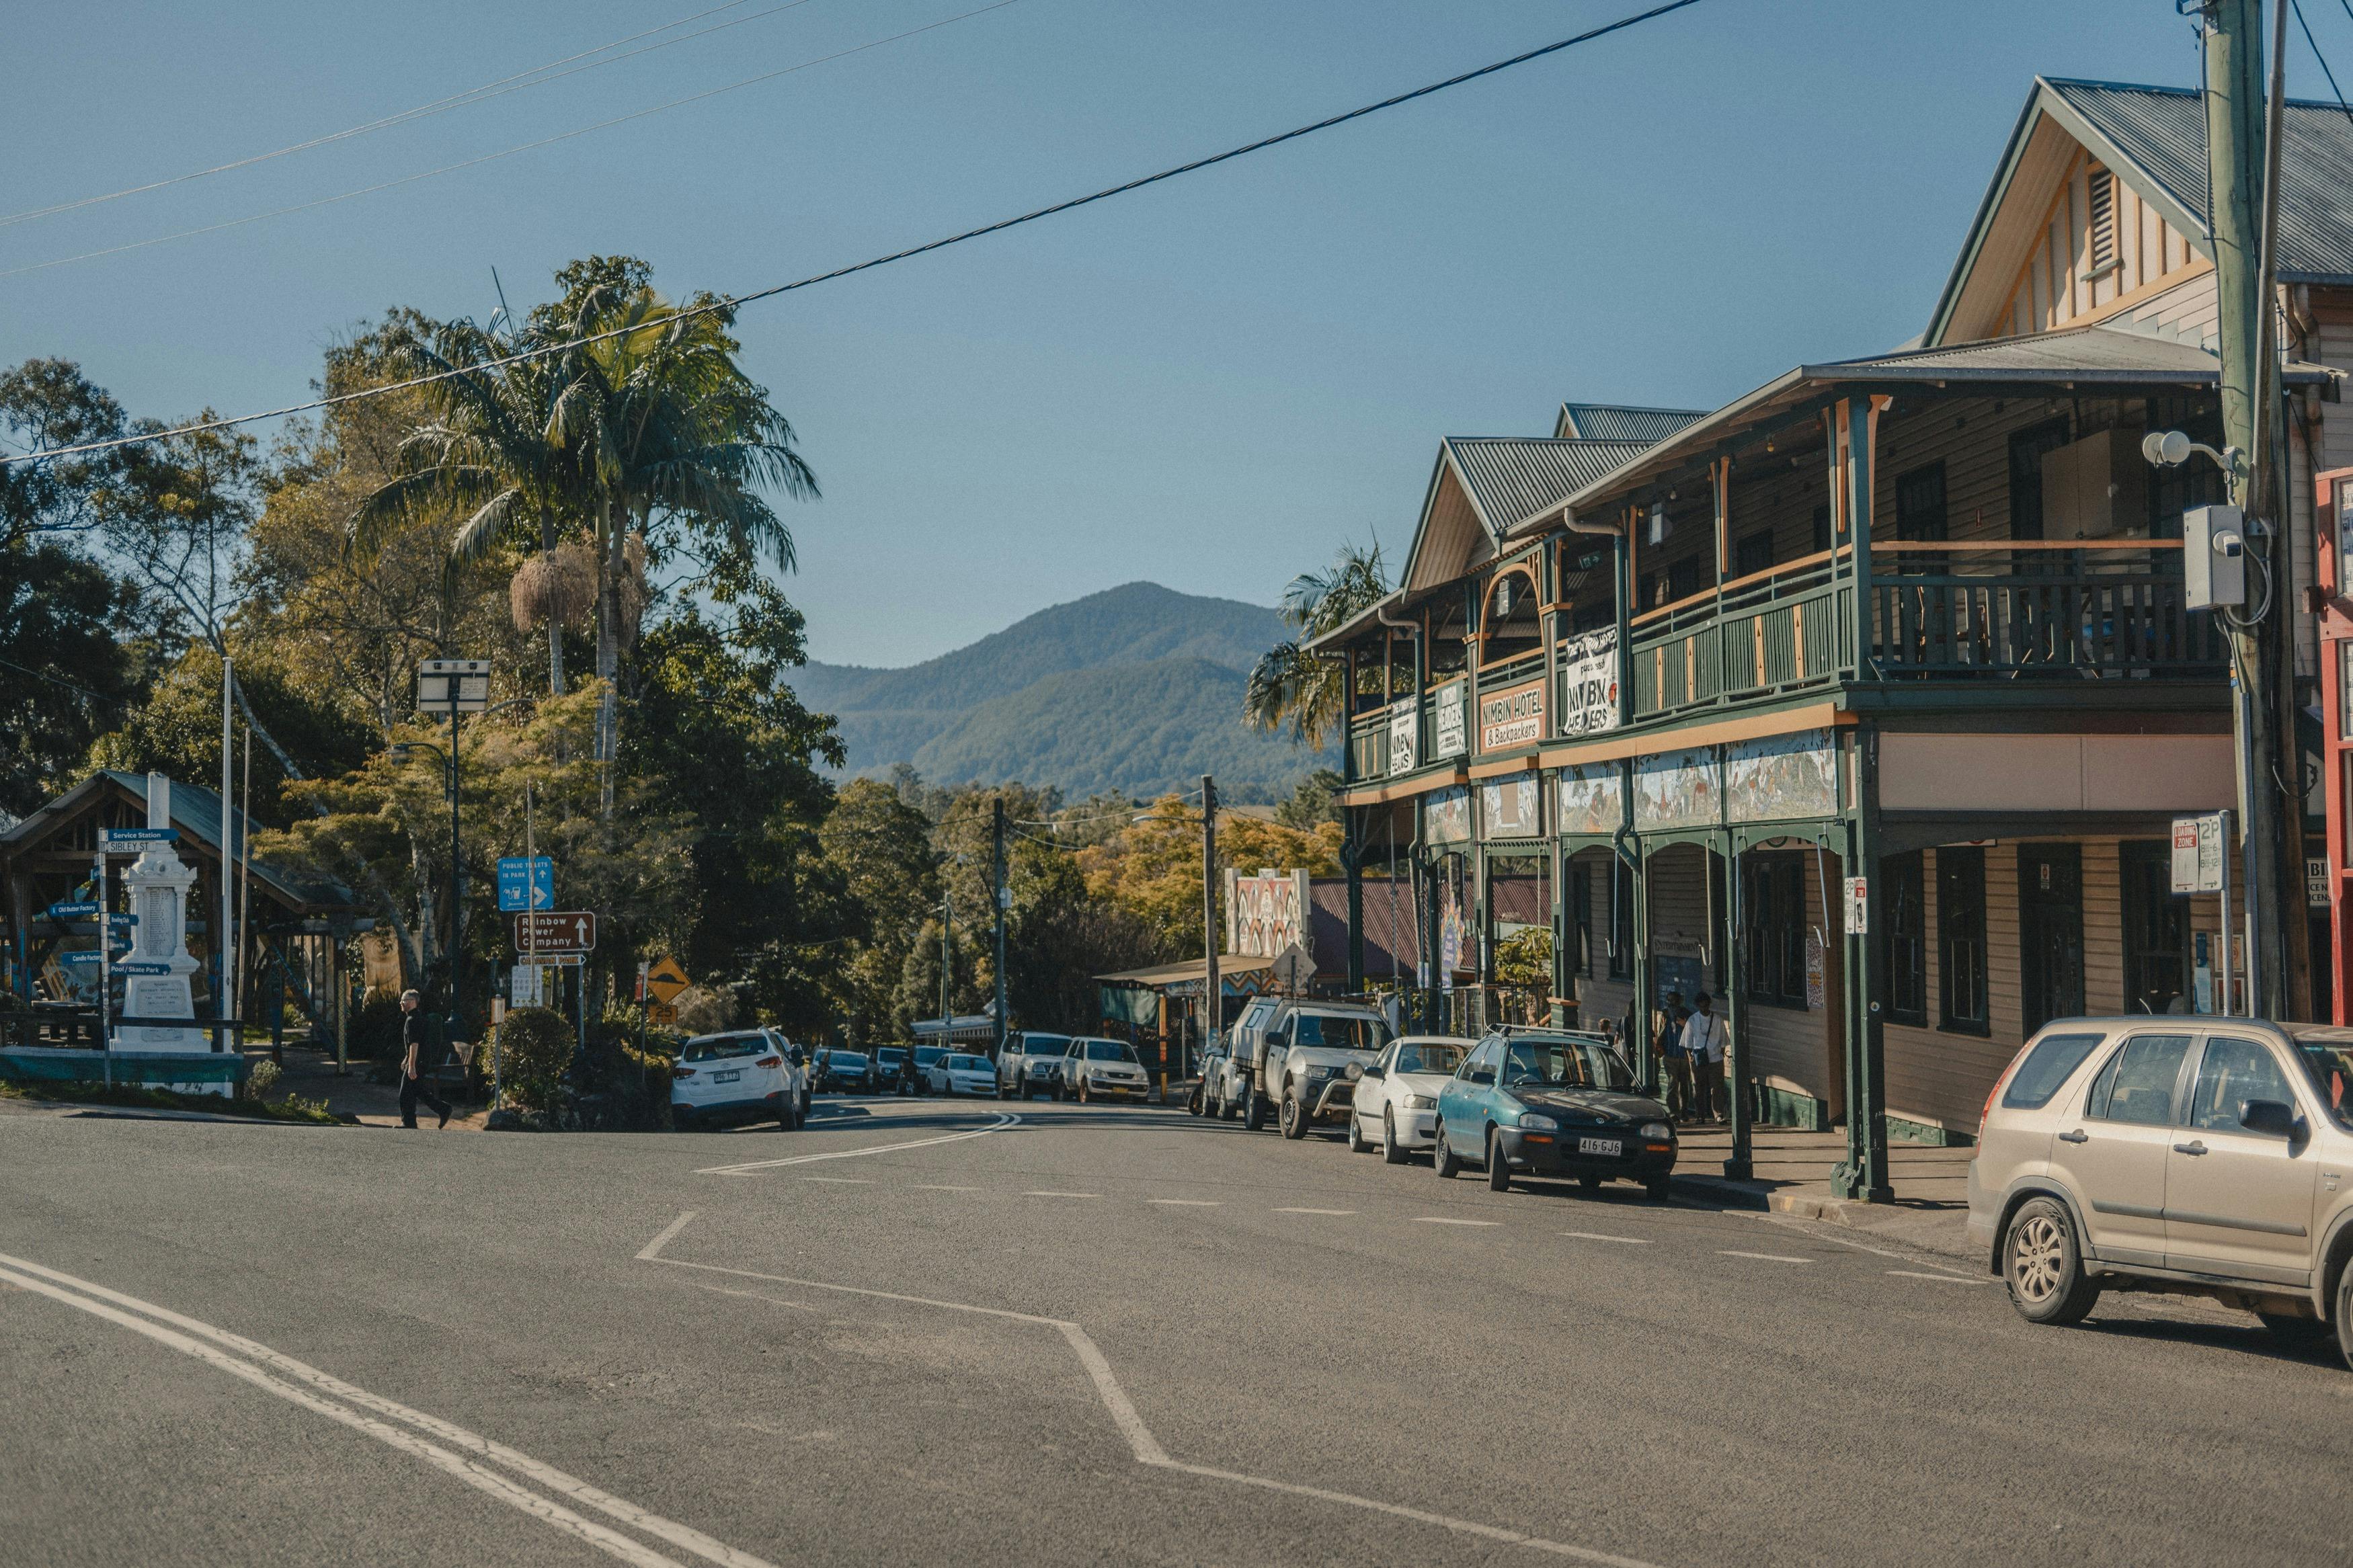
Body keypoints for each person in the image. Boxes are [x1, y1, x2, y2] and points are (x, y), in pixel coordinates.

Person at [399, 989, 452, 1130]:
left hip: (418, 1062)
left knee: (405, 1092)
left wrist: (411, 1066)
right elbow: (414, 1043)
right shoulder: (417, 1018)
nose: (401, 1003)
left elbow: (415, 1045)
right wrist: (407, 1058)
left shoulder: (412, 1020)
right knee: (417, 1090)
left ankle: (409, 1122)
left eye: (403, 1000)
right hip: (422, 1061)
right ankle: (443, 1109)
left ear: (411, 1002)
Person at [1681, 991, 1728, 1122]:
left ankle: (1718, 1114)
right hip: (1698, 1058)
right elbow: (1687, 1042)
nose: (1704, 1009)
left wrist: (1721, 1054)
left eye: (1706, 1006)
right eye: (1702, 1006)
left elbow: (1723, 1040)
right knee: (1698, 1088)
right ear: (1698, 1006)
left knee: (1717, 1088)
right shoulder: (1693, 1020)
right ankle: (1700, 1115)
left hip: (1715, 1058)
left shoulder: (1717, 1020)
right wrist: (1690, 1057)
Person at [1653, 989, 1690, 1119]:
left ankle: (1684, 1110)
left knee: (1684, 1085)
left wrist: (1685, 1024)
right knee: (1673, 1082)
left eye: (1673, 1000)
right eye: (1668, 1000)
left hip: (1684, 1054)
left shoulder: (1686, 1014)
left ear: (1679, 1001)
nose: (1670, 1003)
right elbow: (1661, 1032)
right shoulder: (1665, 1015)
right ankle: (1674, 1112)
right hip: (1670, 1054)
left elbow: (1692, 1032)